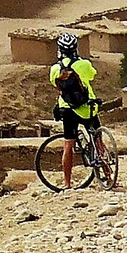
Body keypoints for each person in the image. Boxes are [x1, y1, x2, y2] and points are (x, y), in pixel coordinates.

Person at [49, 33, 103, 187]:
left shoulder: (55, 69)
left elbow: (55, 84)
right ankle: (108, 173)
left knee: (68, 146)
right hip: (88, 108)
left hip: (67, 109)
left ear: (60, 49)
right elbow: (92, 76)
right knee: (98, 140)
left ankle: (67, 183)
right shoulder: (84, 64)